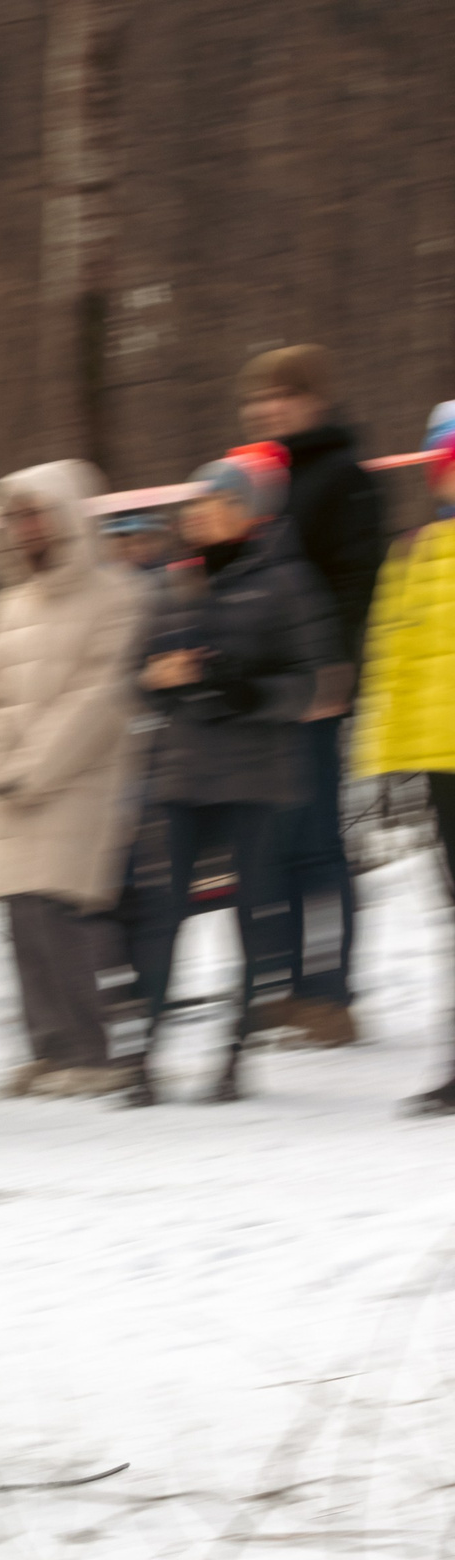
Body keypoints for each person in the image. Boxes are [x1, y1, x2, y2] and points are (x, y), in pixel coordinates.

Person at [127, 444, 337, 1104]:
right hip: (184, 769)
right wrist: (155, 679)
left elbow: (314, 682)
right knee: (165, 911)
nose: (198, 516)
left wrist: (247, 690)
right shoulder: (171, 582)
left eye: (213, 504)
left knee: (252, 911)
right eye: (193, 505)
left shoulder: (285, 581)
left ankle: (235, 1052)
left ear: (245, 513)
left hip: (254, 770)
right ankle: (145, 1051)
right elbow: (137, 675)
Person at [0, 463, 148, 1097]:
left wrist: (33, 769)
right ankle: (48, 1048)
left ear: (65, 515)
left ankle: (91, 1051)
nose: (23, 528)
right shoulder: (4, 607)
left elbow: (101, 696)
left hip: (80, 779)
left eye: (34, 513)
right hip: (8, 787)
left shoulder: (119, 595)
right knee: (22, 921)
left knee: (64, 915)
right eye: (14, 517)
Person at [238, 346, 386, 1045]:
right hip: (265, 693)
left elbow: (359, 586)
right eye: (262, 399)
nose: (271, 408)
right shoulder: (259, 481)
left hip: (319, 688)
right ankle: (293, 986)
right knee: (277, 844)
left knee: (319, 842)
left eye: (285, 396)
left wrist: (338, 674)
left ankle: (333, 992)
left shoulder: (342, 476)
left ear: (315, 399)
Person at [351, 403, 455, 1112]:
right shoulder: (414, 554)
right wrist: (382, 761)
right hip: (438, 762)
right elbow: (392, 661)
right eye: (440, 467)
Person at [101, 510, 177, 574]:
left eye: (145, 541)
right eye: (126, 545)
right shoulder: (111, 572)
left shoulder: (168, 566)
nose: (139, 549)